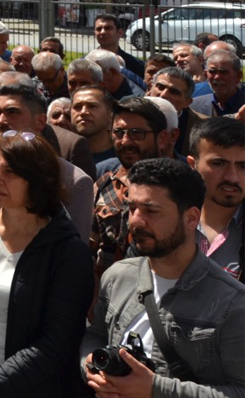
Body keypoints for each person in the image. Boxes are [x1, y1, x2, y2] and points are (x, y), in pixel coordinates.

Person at [0, 133, 94, 398]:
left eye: (10, 171)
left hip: (34, 387)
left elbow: (58, 341)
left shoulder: (68, 250)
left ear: (38, 179)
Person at [80, 158, 245, 397]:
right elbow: (95, 336)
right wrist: (92, 367)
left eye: (151, 211)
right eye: (133, 208)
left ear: (191, 218)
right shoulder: (117, 277)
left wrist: (155, 389)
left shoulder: (232, 304)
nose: (135, 221)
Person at [0, 83, 95, 241]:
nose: (1, 121)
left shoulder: (73, 181)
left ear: (40, 121)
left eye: (13, 112)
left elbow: (74, 253)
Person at [90, 96, 179, 282]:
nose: (125, 141)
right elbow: (92, 244)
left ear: (162, 138)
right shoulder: (105, 184)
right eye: (119, 132)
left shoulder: (182, 187)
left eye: (137, 133)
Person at [188, 117, 245, 280]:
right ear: (193, 164)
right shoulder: (165, 221)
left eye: (243, 166)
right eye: (219, 163)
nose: (232, 177)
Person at [71, 86, 117, 168]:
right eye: (77, 107)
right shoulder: (62, 156)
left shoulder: (124, 157)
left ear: (110, 115)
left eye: (92, 106)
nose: (83, 112)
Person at [191, 50, 245, 117]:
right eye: (212, 71)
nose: (217, 77)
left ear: (238, 76)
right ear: (205, 75)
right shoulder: (194, 106)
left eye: (223, 72)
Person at [93, 14, 146, 78]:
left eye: (108, 28)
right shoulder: (86, 62)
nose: (103, 32)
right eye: (99, 29)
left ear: (120, 32)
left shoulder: (136, 66)